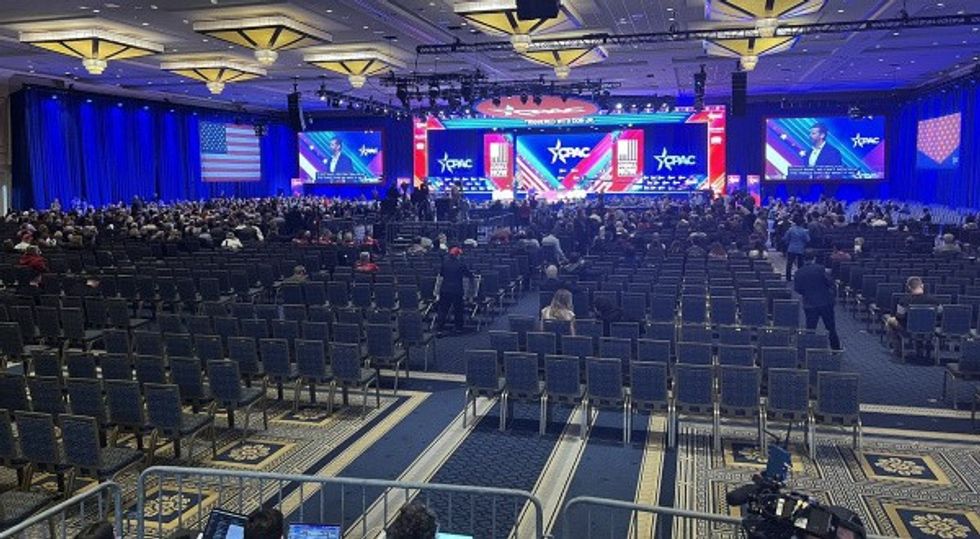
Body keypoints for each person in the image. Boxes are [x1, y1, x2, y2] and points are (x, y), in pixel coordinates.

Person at [793, 253, 841, 350]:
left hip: (809, 304)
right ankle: (835, 350)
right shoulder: (821, 269)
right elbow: (830, 282)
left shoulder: (798, 272)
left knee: (810, 329)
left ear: (803, 260)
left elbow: (797, 289)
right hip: (825, 302)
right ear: (814, 258)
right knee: (831, 328)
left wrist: (807, 292)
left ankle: (809, 351)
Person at [436, 246, 474, 333]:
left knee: (443, 310)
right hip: (457, 290)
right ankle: (458, 328)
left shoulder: (444, 263)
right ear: (458, 255)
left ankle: (439, 329)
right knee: (458, 310)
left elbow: (441, 274)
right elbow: (468, 275)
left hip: (444, 289)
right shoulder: (461, 264)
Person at [783, 215, 810, 281]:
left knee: (789, 264)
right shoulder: (804, 231)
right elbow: (808, 240)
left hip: (791, 248)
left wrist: (788, 243)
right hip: (800, 249)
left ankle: (788, 278)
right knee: (800, 265)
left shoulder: (791, 229)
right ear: (802, 223)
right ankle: (799, 277)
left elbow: (786, 238)